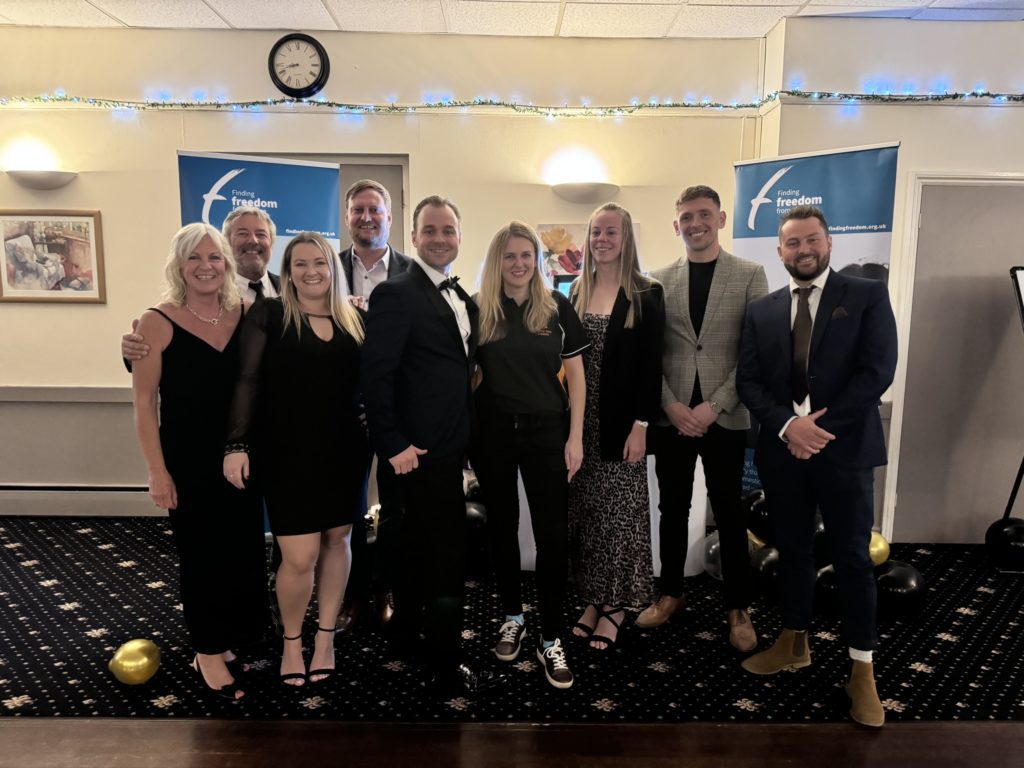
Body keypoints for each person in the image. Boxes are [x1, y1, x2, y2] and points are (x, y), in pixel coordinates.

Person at [736, 205, 898, 728]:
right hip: (784, 452)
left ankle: (862, 670)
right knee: (794, 552)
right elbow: (749, 381)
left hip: (844, 451)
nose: (803, 250)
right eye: (793, 243)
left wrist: (817, 431)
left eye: (812, 240)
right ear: (779, 250)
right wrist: (789, 426)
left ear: (829, 243)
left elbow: (877, 371)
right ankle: (793, 642)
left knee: (852, 558)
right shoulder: (762, 310)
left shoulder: (866, 295)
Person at [130, 223, 268, 701]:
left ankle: (230, 635)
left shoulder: (246, 312)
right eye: (194, 257)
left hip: (243, 456)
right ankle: (207, 649)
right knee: (201, 554)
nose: (205, 266)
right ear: (179, 265)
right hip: (187, 460)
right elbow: (144, 404)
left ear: (227, 264)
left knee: (241, 550)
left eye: (214, 257)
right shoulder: (157, 321)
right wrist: (157, 471)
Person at [223, 232, 366, 687]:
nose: (311, 272)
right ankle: (290, 641)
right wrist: (236, 444)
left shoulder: (355, 319)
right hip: (287, 451)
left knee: (338, 541)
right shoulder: (269, 314)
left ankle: (324, 639)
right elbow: (247, 381)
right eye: (300, 264)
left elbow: (375, 380)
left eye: (319, 263)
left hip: (346, 450)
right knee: (299, 556)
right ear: (288, 272)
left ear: (333, 268)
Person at [360, 195, 484, 696]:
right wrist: (394, 444)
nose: (439, 238)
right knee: (443, 556)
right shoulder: (396, 293)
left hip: (449, 450)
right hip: (412, 454)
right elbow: (376, 376)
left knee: (420, 551)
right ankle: (445, 659)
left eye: (448, 230)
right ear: (412, 237)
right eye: (429, 230)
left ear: (459, 237)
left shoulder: (465, 299)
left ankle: (407, 635)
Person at [642, 186, 769, 651]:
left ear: (721, 218)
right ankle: (670, 593)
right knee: (672, 510)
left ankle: (738, 607)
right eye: (686, 217)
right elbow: (648, 355)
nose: (695, 224)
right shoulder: (655, 281)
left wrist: (712, 406)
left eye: (703, 214)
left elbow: (755, 354)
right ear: (676, 225)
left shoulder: (750, 275)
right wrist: (671, 405)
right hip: (672, 418)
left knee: (729, 513)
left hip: (725, 417)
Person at [471, 221, 588, 689]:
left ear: (537, 261)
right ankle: (512, 617)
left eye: (526, 255)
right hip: (493, 434)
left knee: (552, 538)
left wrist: (575, 437)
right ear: (496, 261)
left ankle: (551, 637)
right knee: (502, 530)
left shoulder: (557, 306)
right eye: (509, 256)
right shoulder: (479, 309)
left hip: (547, 434)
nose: (518, 264)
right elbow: (464, 375)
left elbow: (577, 376)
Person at [568, 203, 665, 651]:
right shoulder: (575, 290)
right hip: (578, 423)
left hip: (622, 425)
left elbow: (651, 367)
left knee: (620, 518)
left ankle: (617, 605)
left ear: (626, 238)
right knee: (587, 515)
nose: (602, 240)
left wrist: (641, 425)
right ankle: (594, 597)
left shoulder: (647, 293)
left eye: (611, 232)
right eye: (595, 232)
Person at [335, 179, 410, 635]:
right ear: (347, 217)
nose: (367, 217)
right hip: (343, 410)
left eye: (375, 210)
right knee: (350, 508)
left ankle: (387, 589)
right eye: (358, 210)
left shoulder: (411, 271)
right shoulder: (326, 269)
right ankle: (353, 594)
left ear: (389, 217)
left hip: (399, 411)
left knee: (396, 510)